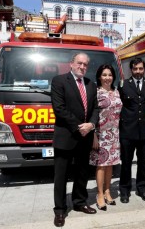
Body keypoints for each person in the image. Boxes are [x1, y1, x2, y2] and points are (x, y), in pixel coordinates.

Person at [51, 53, 99, 227]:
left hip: (85, 138)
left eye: (85, 64)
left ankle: (79, 202)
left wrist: (92, 124)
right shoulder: (59, 81)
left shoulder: (91, 85)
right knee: (61, 176)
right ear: (71, 64)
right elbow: (59, 109)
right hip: (66, 136)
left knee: (82, 173)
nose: (82, 67)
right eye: (79, 63)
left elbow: (95, 109)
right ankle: (60, 210)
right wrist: (81, 126)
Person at [118, 57, 145, 204]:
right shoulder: (123, 85)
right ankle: (125, 190)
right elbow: (120, 106)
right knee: (126, 162)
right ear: (131, 70)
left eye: (140, 68)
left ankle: (142, 188)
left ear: (144, 69)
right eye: (135, 69)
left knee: (143, 161)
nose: (138, 71)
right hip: (128, 130)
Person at [89, 64, 122, 211]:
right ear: (99, 77)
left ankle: (108, 191)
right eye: (104, 75)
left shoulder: (117, 92)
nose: (107, 78)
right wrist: (94, 135)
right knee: (101, 165)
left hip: (114, 134)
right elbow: (91, 115)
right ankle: (100, 194)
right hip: (100, 134)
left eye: (109, 75)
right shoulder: (95, 93)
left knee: (110, 164)